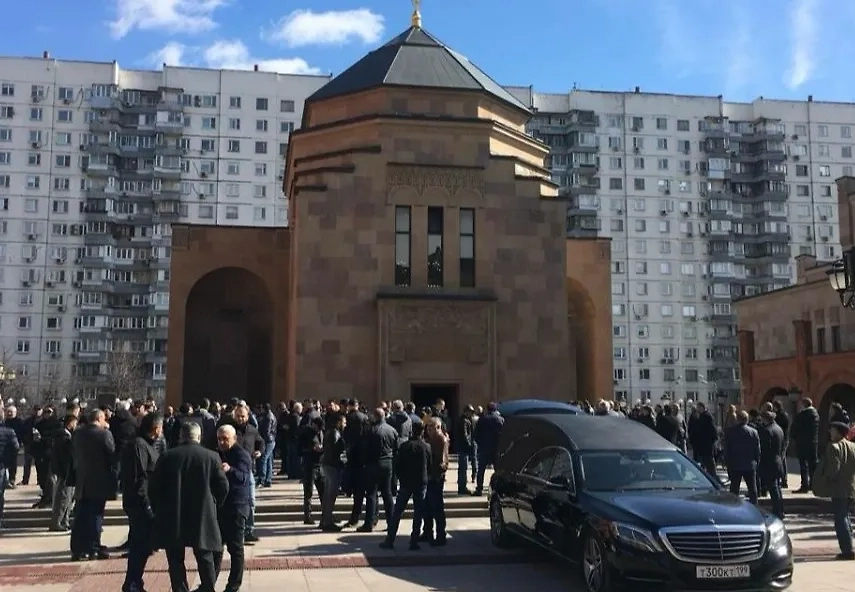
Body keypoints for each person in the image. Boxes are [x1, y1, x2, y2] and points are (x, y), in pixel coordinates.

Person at [150, 422, 229, 592]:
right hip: (202, 512)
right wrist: (215, 504)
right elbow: (223, 487)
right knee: (205, 556)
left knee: (175, 559)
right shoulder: (211, 457)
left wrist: (159, 508)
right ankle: (208, 588)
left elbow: (154, 487)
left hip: (173, 513)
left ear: (181, 436)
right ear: (198, 437)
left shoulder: (167, 457)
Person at [121, 412, 163, 592]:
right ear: (156, 428)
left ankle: (134, 581)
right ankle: (132, 583)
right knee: (140, 545)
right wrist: (146, 505)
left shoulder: (146, 445)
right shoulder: (138, 445)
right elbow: (140, 479)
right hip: (140, 505)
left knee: (145, 545)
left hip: (145, 502)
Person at [70, 408, 116, 561]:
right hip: (99, 481)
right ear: (99, 418)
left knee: (80, 515)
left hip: (82, 480)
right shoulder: (104, 434)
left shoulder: (78, 434)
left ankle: (78, 549)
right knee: (96, 515)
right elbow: (111, 456)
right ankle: (93, 547)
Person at [381, 421, 431, 550]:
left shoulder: (405, 446)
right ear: (423, 432)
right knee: (418, 512)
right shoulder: (426, 447)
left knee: (397, 511)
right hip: (420, 482)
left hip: (406, 482)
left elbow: (397, 464)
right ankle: (414, 541)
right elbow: (430, 465)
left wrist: (400, 477)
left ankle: (390, 539)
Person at [215, 424, 253, 592]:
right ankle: (209, 583)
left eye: (225, 439)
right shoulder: (217, 453)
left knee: (235, 549)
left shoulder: (241, 455)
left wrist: (230, 470)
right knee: (215, 548)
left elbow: (244, 478)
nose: (222, 442)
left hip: (237, 508)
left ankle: (233, 585)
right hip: (221, 508)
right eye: (219, 439)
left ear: (234, 438)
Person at [812, 421, 855, 561]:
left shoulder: (833, 447)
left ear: (838, 432)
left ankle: (847, 550)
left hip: (839, 489)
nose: (830, 432)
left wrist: (824, 480)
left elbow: (833, 469)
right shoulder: (852, 446)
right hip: (851, 488)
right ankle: (849, 546)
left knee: (840, 519)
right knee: (845, 517)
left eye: (832, 430)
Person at [757, 410, 786, 519]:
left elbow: (764, 449)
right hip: (778, 461)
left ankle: (777, 511)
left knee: (773, 488)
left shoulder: (767, 431)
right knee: (777, 487)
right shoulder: (779, 429)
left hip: (769, 463)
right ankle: (780, 509)